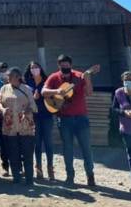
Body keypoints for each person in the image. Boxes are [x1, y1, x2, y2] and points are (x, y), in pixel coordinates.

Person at [42, 54, 100, 187]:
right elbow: (44, 91)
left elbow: (89, 92)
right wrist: (57, 91)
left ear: (71, 65)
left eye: (67, 66)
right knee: (67, 148)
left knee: (86, 147)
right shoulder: (54, 77)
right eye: (62, 67)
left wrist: (88, 78)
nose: (65, 69)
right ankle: (70, 176)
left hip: (81, 117)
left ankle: (90, 176)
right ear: (59, 66)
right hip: (64, 119)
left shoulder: (79, 76)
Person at [0, 67, 38, 185]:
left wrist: (27, 111)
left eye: (10, 76)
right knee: (13, 153)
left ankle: (29, 179)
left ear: (18, 77)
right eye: (8, 77)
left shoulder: (26, 89)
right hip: (10, 126)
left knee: (27, 154)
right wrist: (2, 109)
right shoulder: (4, 88)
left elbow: (33, 106)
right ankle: (16, 177)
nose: (8, 78)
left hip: (25, 126)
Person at [25, 60, 55, 180]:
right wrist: (33, 98)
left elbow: (54, 97)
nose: (34, 69)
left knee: (48, 143)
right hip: (34, 116)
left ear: (40, 69)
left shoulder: (47, 81)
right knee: (36, 143)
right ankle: (38, 168)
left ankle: (50, 168)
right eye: (32, 68)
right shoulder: (27, 82)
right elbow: (24, 99)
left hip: (47, 115)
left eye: (36, 67)